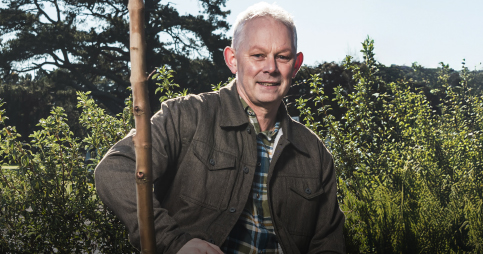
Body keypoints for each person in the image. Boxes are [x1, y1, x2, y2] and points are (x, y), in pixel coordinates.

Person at [95, 2, 345, 254]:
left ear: (297, 64)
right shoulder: (186, 116)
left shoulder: (315, 154)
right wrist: (173, 242)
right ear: (233, 60)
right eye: (258, 55)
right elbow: (114, 169)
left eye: (282, 56)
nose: (270, 68)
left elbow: (328, 244)